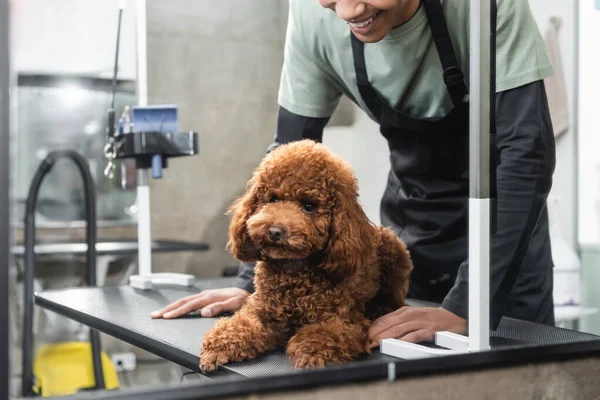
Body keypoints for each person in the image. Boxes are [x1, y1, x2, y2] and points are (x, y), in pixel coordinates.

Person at [152, 0, 557, 347]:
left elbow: (527, 153)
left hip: (504, 255)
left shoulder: (484, 7)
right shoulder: (313, 18)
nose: (348, 10)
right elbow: (286, 155)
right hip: (413, 242)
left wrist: (472, 304)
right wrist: (249, 283)